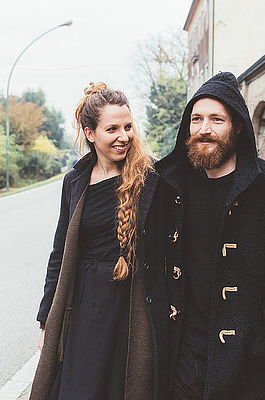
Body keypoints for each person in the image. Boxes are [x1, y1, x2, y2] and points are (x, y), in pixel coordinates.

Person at [154, 71, 265, 399]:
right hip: (184, 353)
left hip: (249, 354)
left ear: (238, 127)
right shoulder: (169, 183)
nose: (204, 129)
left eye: (217, 119)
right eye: (196, 119)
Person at [30, 83, 175, 400]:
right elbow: (60, 254)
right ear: (90, 133)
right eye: (112, 129)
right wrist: (46, 321)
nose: (124, 136)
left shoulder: (151, 180)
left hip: (131, 305)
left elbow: (174, 246)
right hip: (83, 305)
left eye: (127, 126)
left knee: (124, 386)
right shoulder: (75, 181)